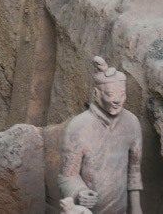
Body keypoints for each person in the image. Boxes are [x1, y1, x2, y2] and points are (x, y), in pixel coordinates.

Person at [59, 57, 143, 214]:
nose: (117, 100)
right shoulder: (79, 126)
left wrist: (137, 208)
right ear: (96, 93)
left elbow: (134, 169)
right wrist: (79, 192)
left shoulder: (132, 123)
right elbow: (67, 176)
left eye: (122, 94)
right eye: (110, 94)